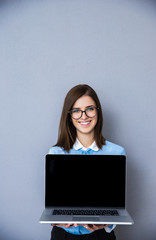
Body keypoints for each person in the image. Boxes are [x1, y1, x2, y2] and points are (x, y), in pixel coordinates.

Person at [48, 84, 126, 240]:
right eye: (76, 111)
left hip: (101, 236)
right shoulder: (56, 153)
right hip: (63, 236)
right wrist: (55, 220)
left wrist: (108, 223)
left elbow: (117, 206)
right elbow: (53, 203)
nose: (84, 116)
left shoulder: (116, 152)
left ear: (98, 112)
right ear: (69, 116)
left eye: (89, 109)